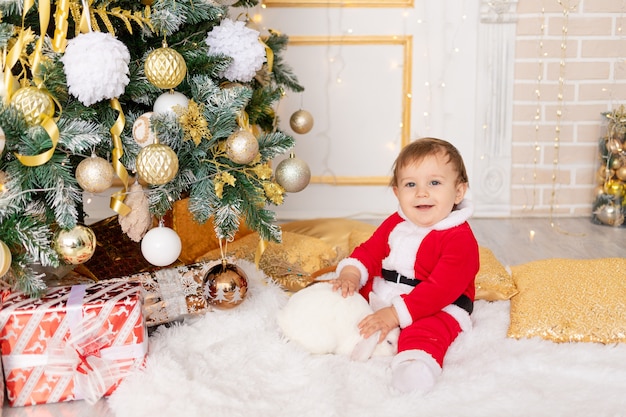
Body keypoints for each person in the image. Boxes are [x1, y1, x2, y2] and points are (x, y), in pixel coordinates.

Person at [332, 137, 479, 394]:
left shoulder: (460, 238)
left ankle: (415, 366)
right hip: (391, 289)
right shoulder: (396, 223)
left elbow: (440, 289)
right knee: (343, 294)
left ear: (458, 192)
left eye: (434, 183)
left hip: (438, 303)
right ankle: (323, 322)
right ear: (397, 193)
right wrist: (351, 272)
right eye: (411, 184)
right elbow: (371, 250)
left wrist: (394, 314)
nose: (422, 192)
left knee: (427, 330)